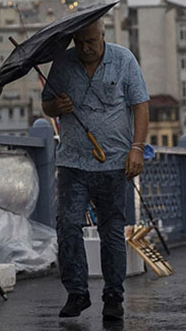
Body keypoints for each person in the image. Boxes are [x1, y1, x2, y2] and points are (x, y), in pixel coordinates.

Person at [41, 18, 149, 321]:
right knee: (68, 224)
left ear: (102, 35)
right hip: (73, 161)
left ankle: (114, 295)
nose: (86, 48)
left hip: (114, 162)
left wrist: (136, 149)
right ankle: (77, 292)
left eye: (91, 41)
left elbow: (141, 105)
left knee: (112, 230)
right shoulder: (63, 62)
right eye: (80, 43)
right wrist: (56, 107)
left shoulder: (124, 60)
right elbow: (46, 105)